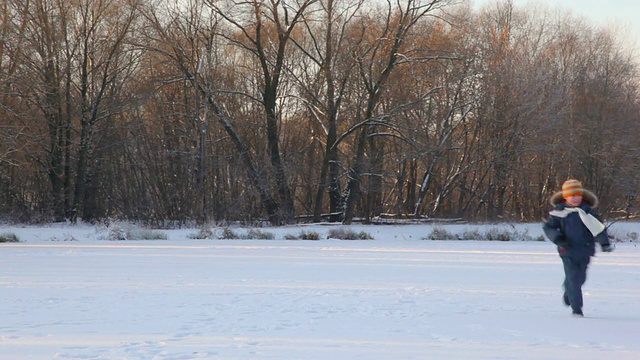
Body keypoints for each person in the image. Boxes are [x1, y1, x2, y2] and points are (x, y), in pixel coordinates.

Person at [542, 179, 613, 317]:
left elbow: (598, 229)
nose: (575, 198)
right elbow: (549, 227)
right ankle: (577, 309)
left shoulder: (588, 213)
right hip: (567, 250)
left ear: (582, 196)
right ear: (565, 197)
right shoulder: (559, 213)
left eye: (578, 195)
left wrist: (604, 243)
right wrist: (558, 239)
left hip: (585, 250)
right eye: (572, 195)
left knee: (580, 279)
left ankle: (569, 290)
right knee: (574, 278)